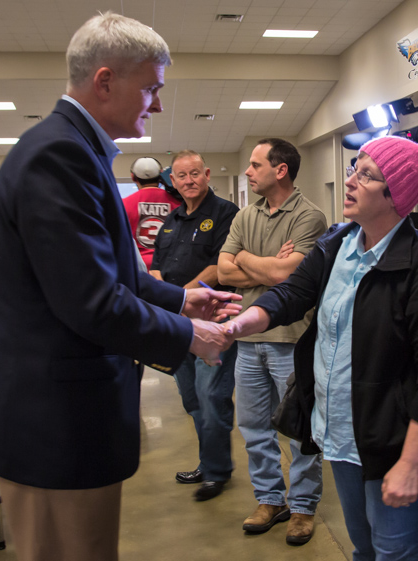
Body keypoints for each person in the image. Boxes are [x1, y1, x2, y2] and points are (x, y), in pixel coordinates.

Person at [0, 13, 241, 561]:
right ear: (104, 81)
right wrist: (191, 334)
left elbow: (108, 272)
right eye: (151, 89)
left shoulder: (78, 150)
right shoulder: (59, 155)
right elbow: (92, 302)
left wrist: (180, 297)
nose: (158, 105)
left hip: (69, 420)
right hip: (55, 428)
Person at [220, 135, 418, 560]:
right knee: (364, 548)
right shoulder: (338, 244)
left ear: (397, 195)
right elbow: (289, 294)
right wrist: (237, 325)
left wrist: (410, 463)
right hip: (342, 435)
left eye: (366, 175)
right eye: (355, 169)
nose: (350, 181)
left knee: (395, 553)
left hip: (396, 442)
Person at [217, 137, 327, 545]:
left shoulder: (310, 217)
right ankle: (270, 499)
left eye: (255, 164)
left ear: (280, 170)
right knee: (252, 427)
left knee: (299, 429)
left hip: (290, 339)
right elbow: (223, 271)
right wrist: (266, 266)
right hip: (249, 340)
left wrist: (246, 259)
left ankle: (302, 506)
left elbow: (290, 278)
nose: (248, 171)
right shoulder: (246, 215)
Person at [151, 150, 239, 501]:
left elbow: (219, 268)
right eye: (181, 176)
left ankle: (217, 473)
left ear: (206, 175)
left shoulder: (225, 214)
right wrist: (167, 300)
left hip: (213, 321)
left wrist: (175, 297)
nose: (189, 181)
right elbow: (155, 269)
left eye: (195, 174)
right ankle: (209, 462)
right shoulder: (170, 222)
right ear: (173, 181)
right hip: (177, 325)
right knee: (191, 397)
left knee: (212, 394)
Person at [123, 156, 180, 269]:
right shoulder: (179, 204)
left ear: (133, 177)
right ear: (160, 176)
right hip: (170, 267)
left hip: (138, 268)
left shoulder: (123, 204)